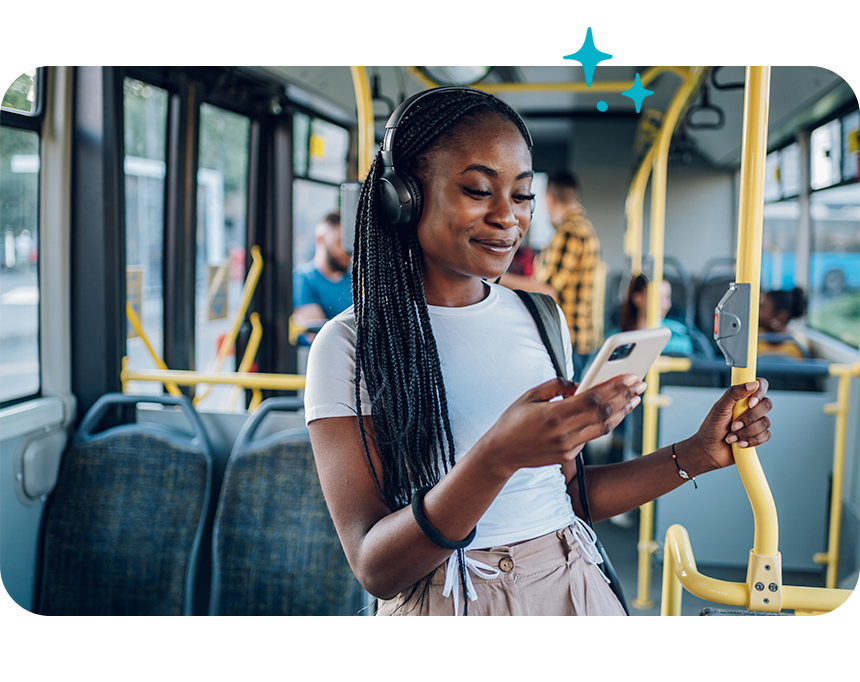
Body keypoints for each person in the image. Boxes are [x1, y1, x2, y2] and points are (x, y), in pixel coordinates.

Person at [304, 87, 774, 617]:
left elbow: (568, 499)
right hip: (450, 598)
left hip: (573, 580)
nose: (509, 217)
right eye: (479, 190)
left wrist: (694, 455)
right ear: (402, 197)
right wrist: (497, 457)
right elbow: (375, 568)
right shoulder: (348, 346)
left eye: (523, 195)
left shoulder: (540, 318)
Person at [534, 170, 602, 380]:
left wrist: (499, 280)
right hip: (582, 336)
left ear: (550, 199)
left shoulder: (569, 232)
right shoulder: (586, 228)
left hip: (568, 337)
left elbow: (547, 289)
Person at [292, 211, 352, 344]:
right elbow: (319, 336)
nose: (347, 251)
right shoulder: (303, 279)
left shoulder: (353, 282)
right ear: (320, 239)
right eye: (340, 242)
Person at [615, 273, 694, 355]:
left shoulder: (680, 335)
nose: (665, 304)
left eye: (667, 297)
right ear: (637, 298)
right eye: (658, 297)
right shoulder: (617, 340)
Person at [758, 287, 809, 359]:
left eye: (762, 308)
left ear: (780, 317)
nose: (757, 312)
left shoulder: (795, 348)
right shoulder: (754, 336)